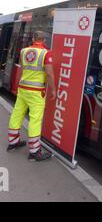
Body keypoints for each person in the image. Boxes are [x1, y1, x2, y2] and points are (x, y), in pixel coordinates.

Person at [7, 30, 56, 161]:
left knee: (17, 114)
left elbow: (24, 69)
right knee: (35, 119)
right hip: (36, 91)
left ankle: (13, 142)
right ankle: (34, 152)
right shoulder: (46, 53)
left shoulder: (24, 51)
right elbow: (50, 74)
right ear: (44, 40)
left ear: (33, 38)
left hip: (23, 88)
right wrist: (53, 90)